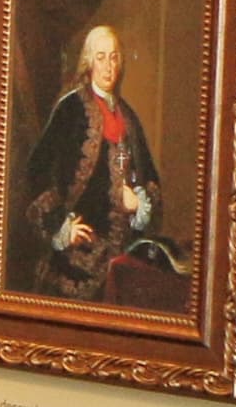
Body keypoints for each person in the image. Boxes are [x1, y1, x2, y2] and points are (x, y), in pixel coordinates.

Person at [18, 21, 184, 308]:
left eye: (114, 57)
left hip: (119, 265)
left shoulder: (129, 118)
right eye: (101, 57)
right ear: (89, 62)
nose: (108, 66)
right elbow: (36, 171)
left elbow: (152, 183)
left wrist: (139, 205)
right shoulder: (70, 109)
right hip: (73, 265)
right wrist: (62, 227)